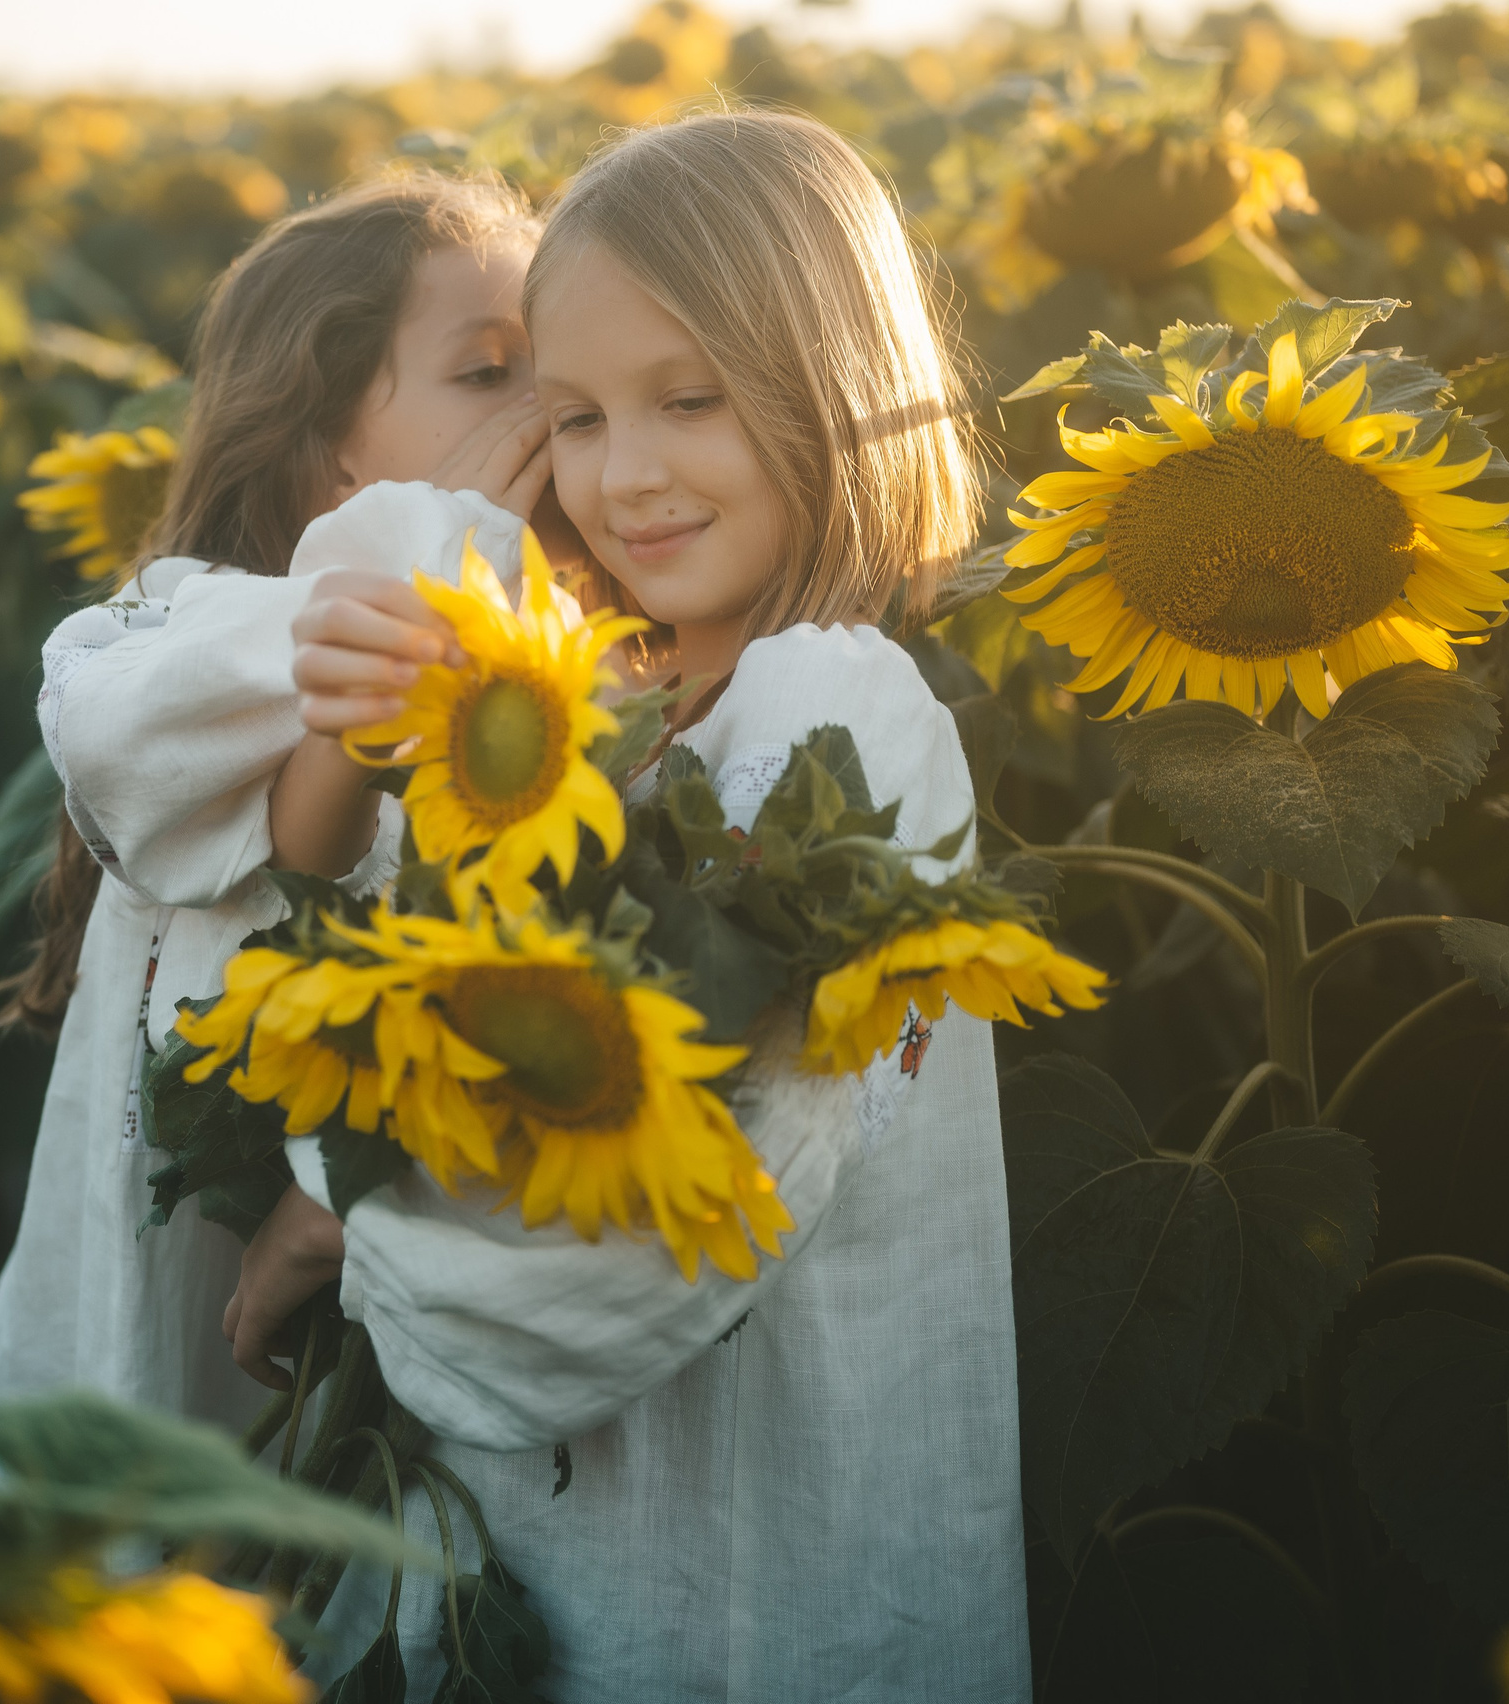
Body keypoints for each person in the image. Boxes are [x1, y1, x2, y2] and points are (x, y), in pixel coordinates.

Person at [260, 112, 1031, 1700]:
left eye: (691, 400)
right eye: (578, 417)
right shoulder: (615, 715)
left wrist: (344, 1215)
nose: (627, 476)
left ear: (838, 388)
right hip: (569, 1559)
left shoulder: (841, 716)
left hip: (762, 1594)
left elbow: (673, 1156)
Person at [0, 171, 566, 1485]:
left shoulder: (558, 647)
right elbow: (284, 828)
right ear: (325, 448)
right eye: (489, 372)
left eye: (560, 366)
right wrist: (442, 547)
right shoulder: (206, 627)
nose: (547, 409)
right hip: (210, 1320)